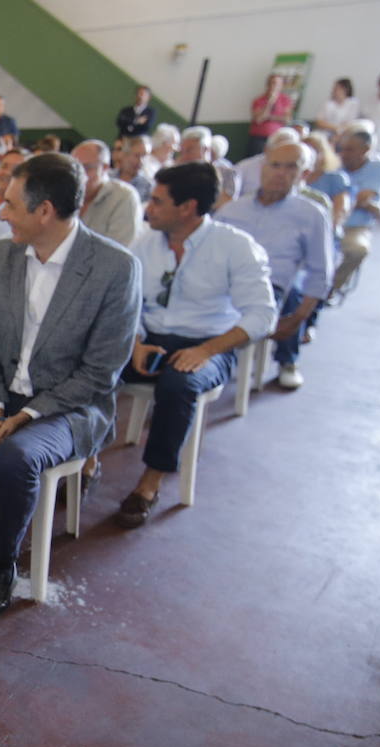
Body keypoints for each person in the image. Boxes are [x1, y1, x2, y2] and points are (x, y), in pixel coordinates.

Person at [0, 153, 140, 619]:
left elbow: (100, 374)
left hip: (73, 405)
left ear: (44, 210)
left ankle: (3, 563)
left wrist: (23, 417)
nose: (2, 213)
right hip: (2, 392)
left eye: (9, 204)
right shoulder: (7, 256)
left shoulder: (115, 268)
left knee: (16, 457)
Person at [117, 162, 275, 528]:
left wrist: (206, 351)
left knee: (179, 385)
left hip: (210, 342)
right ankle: (89, 460)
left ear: (187, 207)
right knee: (97, 365)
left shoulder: (235, 246)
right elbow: (129, 302)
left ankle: (149, 484)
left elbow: (262, 315)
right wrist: (137, 341)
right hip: (151, 336)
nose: (148, 209)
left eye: (157, 201)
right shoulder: (145, 243)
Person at [217, 144, 333, 391]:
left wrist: (300, 317)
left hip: (270, 287)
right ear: (262, 167)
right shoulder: (233, 209)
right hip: (221, 283)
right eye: (275, 165)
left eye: (291, 167)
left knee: (293, 293)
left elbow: (320, 271)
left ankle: (287, 361)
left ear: (304, 174)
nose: (281, 173)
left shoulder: (311, 214)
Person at [332, 129, 380, 296]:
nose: (344, 154)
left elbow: (364, 198)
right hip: (327, 222)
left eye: (350, 149)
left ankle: (329, 289)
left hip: (356, 227)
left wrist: (344, 199)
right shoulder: (334, 165)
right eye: (342, 149)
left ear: (365, 149)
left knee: (358, 250)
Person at [72, 140, 140, 247]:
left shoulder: (124, 197)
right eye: (74, 168)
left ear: (105, 168)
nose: (78, 175)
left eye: (86, 168)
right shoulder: (67, 195)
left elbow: (118, 251)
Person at [302, 134, 351, 233]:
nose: (311, 155)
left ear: (323, 154)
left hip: (325, 231)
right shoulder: (291, 180)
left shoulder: (336, 178)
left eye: (315, 151)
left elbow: (340, 211)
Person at [235, 127, 301, 201]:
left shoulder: (299, 169)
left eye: (289, 150)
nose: (283, 154)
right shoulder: (244, 167)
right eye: (279, 149)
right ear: (266, 149)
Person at [179, 126, 238, 206]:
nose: (184, 156)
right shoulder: (179, 171)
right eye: (182, 151)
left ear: (205, 149)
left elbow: (227, 204)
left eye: (189, 150)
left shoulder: (226, 173)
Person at [247, 74, 294, 157]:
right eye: (272, 83)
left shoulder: (285, 100)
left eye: (277, 84)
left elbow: (287, 119)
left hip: (277, 139)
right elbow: (259, 119)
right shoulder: (258, 100)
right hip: (259, 139)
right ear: (267, 84)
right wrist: (270, 102)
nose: (274, 86)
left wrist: (269, 117)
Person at [117, 135, 154, 202]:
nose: (141, 161)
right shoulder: (107, 177)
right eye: (137, 155)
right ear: (125, 154)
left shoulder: (147, 186)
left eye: (145, 156)